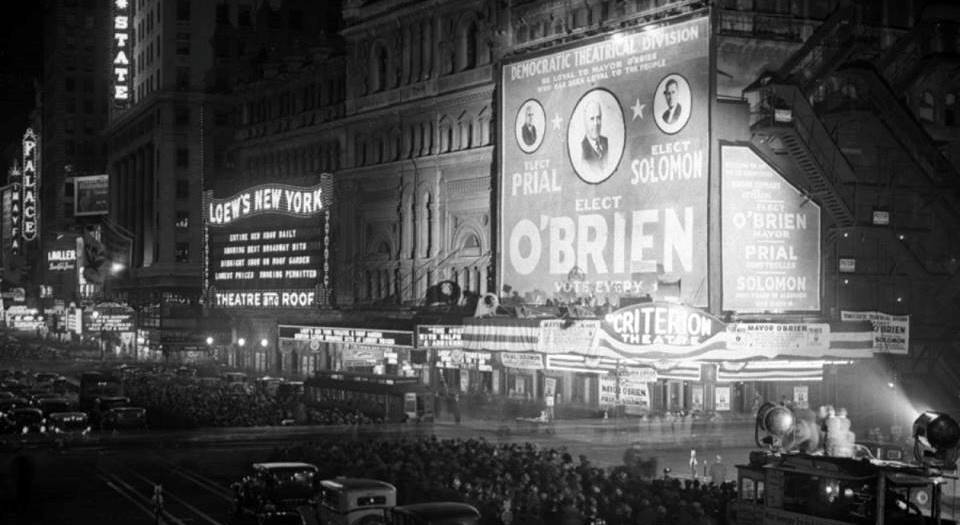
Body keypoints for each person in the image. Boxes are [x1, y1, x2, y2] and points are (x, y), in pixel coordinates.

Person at [580, 100, 608, 167]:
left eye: (598, 118)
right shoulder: (581, 149)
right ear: (585, 122)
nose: (596, 124)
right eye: (592, 119)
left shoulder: (606, 142)